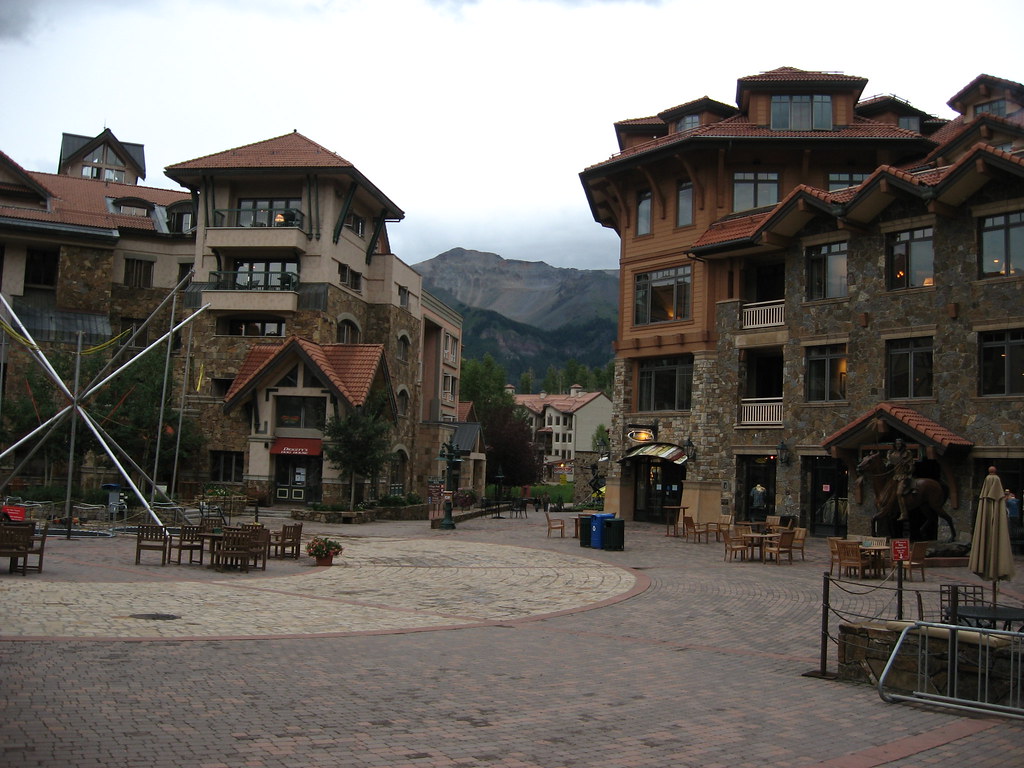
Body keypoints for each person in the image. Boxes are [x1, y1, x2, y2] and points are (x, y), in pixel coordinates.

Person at [885, 438, 915, 522]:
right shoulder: (892, 453)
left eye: (899, 444)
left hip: (903, 476)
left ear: (902, 445)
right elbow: (890, 462)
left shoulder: (907, 453)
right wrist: (888, 462)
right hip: (895, 476)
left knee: (899, 493)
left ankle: (904, 513)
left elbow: (911, 465)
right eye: (897, 444)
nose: (898, 445)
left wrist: (908, 467)